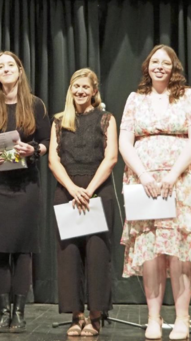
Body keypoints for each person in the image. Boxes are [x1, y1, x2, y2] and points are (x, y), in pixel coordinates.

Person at [119, 44, 191, 340]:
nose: (160, 66)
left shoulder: (187, 96)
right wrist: (145, 175)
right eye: (155, 61)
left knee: (179, 251)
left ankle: (183, 320)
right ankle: (154, 319)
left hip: (181, 179)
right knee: (151, 253)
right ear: (147, 66)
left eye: (166, 62)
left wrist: (173, 175)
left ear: (174, 68)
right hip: (144, 181)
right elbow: (124, 142)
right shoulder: (135, 98)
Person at [0, 51, 50, 333]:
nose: (5, 70)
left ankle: (19, 313)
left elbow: (45, 141)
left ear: (20, 70)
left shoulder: (34, 104)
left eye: (10, 65)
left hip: (25, 186)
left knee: (22, 251)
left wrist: (34, 150)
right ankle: (3, 312)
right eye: (0, 66)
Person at [48, 68, 117, 337]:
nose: (80, 91)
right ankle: (76, 315)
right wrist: (73, 188)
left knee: (98, 254)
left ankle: (96, 316)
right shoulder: (58, 121)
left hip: (97, 189)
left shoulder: (106, 118)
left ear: (94, 91)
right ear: (70, 89)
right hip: (67, 190)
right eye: (76, 86)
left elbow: (110, 158)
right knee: (69, 255)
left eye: (85, 87)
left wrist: (87, 190)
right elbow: (53, 160)